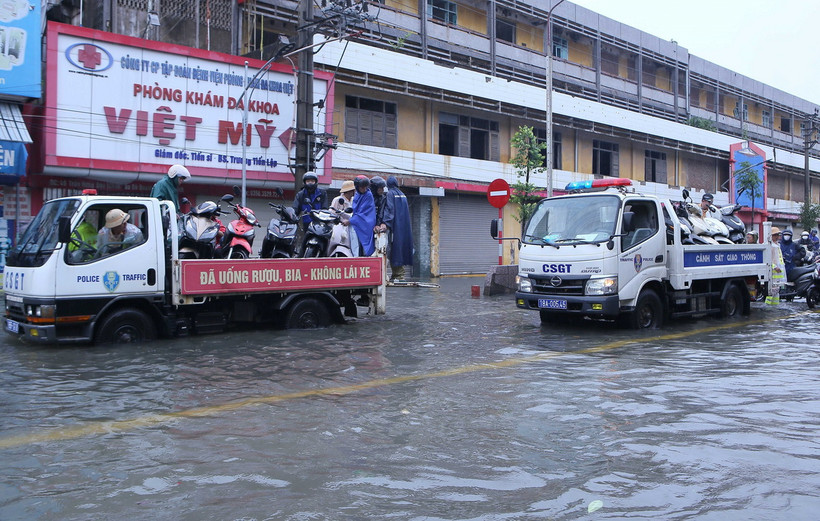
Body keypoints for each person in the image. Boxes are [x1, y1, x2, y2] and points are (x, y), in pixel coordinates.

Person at [384, 176, 413, 281]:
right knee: (400, 249)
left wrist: (386, 223)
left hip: (395, 227)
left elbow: (389, 209)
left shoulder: (390, 194)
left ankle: (396, 275)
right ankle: (400, 274)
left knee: (392, 250)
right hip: (404, 226)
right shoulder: (403, 195)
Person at [292, 171, 328, 254]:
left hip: (320, 223)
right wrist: (291, 215)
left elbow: (325, 208)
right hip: (307, 224)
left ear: (316, 182)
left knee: (326, 242)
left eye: (312, 181)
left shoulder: (322, 193)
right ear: (304, 182)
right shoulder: (300, 195)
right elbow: (295, 209)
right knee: (303, 244)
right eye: (308, 181)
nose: (310, 183)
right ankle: (300, 259)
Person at [349, 175, 376, 256]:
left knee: (364, 246)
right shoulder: (357, 195)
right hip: (357, 221)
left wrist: (350, 220)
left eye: (365, 187)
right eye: (362, 187)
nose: (364, 189)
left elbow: (363, 213)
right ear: (357, 187)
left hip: (366, 223)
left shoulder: (368, 195)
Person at [767, 227, 785, 305]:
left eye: (778, 235)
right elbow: (768, 259)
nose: (777, 237)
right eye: (775, 235)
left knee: (777, 291)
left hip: (778, 273)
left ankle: (775, 305)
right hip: (773, 272)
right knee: (772, 291)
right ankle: (768, 305)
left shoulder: (777, 245)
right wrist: (774, 267)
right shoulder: (770, 245)